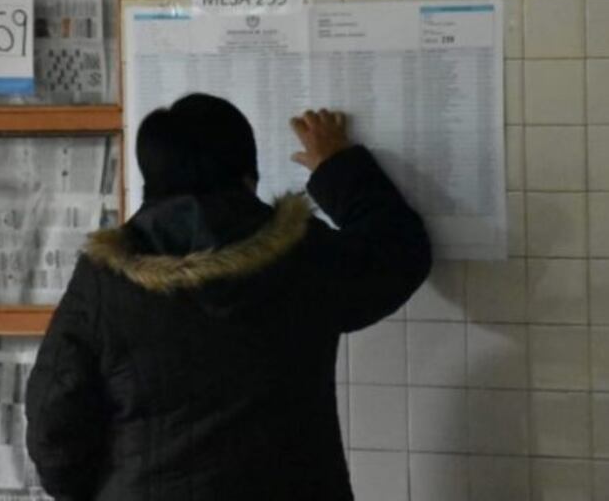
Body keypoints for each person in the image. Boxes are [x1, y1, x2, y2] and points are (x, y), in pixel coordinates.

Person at [25, 93, 432, 500]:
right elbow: (398, 255)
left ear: (150, 182)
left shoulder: (104, 281)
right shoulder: (301, 256)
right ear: (247, 177)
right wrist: (337, 166)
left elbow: (52, 426)